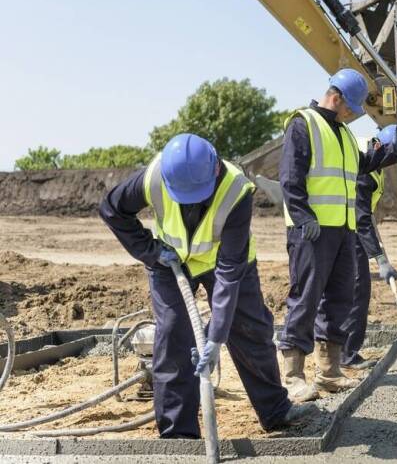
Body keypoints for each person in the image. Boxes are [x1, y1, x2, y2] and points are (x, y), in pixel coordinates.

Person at [99, 133, 309, 438]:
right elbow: (112, 209)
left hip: (226, 263)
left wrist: (215, 338)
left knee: (250, 329)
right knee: (172, 335)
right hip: (170, 263)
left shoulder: (237, 189)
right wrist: (150, 250)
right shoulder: (156, 175)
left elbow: (229, 271)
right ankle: (178, 433)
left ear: (214, 169)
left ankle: (275, 411)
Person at [277, 68, 395, 401]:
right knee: (306, 297)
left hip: (343, 230)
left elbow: (360, 166)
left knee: (339, 298)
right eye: (352, 108)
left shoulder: (342, 134)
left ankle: (328, 371)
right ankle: (292, 377)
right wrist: (302, 217)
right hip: (311, 231)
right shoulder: (304, 124)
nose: (353, 115)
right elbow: (290, 177)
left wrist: (392, 147)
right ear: (337, 96)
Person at [341, 126, 397, 370]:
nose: (392, 163)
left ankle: (342, 351)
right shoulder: (364, 170)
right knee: (357, 291)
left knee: (352, 291)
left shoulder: (374, 164)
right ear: (380, 148)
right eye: (392, 156)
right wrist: (380, 259)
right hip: (348, 231)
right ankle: (347, 355)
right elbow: (361, 218)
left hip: (350, 228)